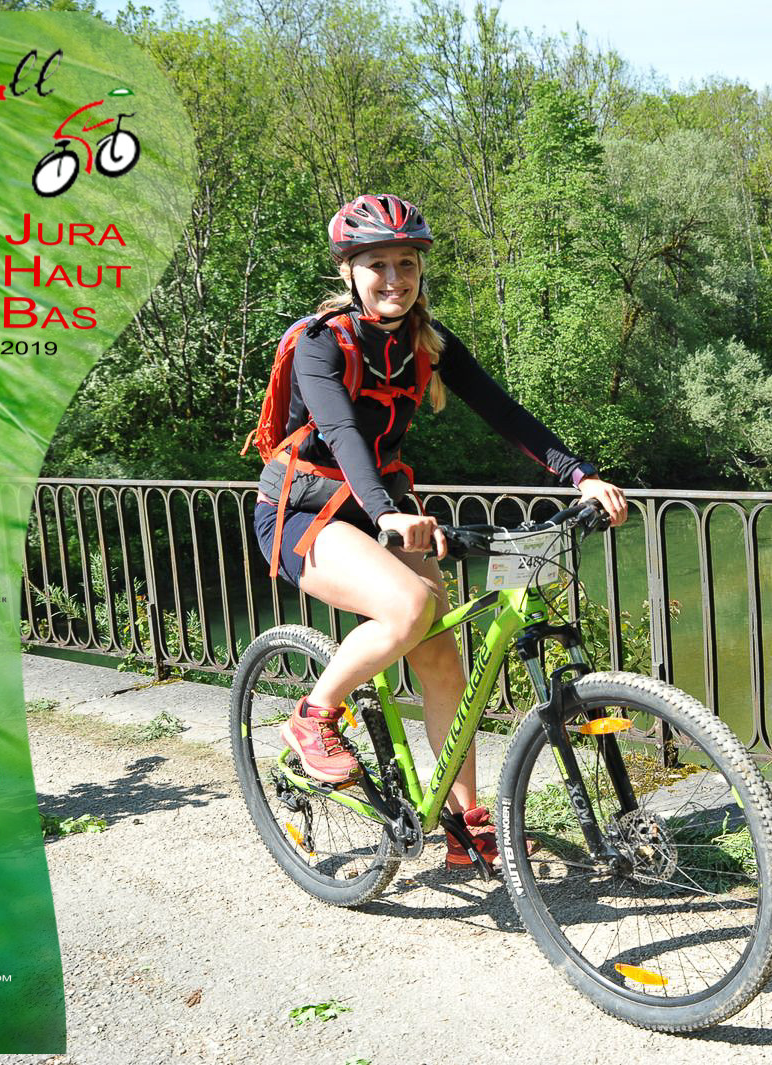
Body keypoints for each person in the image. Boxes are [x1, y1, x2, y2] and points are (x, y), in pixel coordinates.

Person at [252, 193, 628, 867]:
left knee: (442, 662)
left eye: (406, 263)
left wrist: (580, 476)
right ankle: (313, 716)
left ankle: (465, 826)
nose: (393, 278)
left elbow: (503, 412)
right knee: (410, 607)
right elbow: (340, 432)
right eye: (376, 264)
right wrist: (387, 512)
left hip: (385, 506)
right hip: (306, 511)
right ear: (348, 271)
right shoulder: (320, 343)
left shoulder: (427, 341)